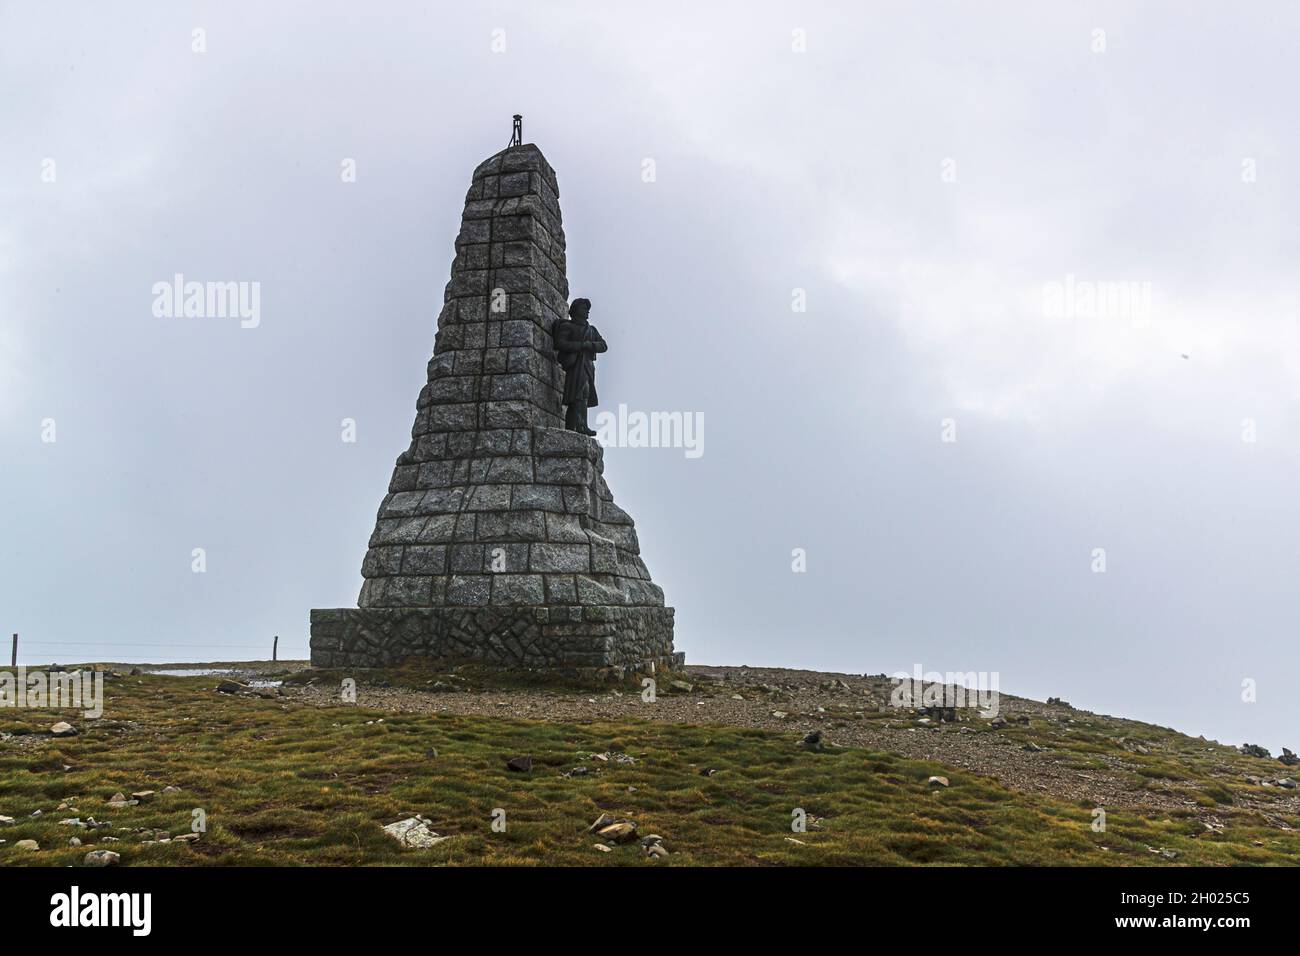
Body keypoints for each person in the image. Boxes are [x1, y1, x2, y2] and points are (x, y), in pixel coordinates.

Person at [552, 297, 607, 435]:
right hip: (575, 365)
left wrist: (590, 345)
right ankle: (580, 426)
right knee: (578, 395)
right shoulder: (567, 326)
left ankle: (576, 427)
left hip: (587, 366)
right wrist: (581, 345)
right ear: (576, 310)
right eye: (584, 309)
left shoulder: (591, 330)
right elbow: (560, 343)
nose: (587, 312)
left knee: (583, 395)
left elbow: (603, 345)